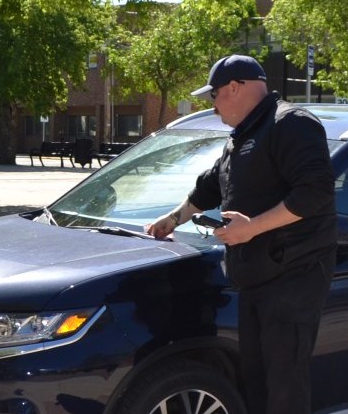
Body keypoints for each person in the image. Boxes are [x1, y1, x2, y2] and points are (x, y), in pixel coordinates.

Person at [144, 55, 335, 414]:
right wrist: (172, 219)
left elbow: (315, 192)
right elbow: (210, 186)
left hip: (293, 280)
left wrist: (251, 229)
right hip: (254, 278)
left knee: (284, 387)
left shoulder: (291, 124)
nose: (213, 105)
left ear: (235, 87)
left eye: (214, 95)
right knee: (256, 382)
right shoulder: (244, 135)